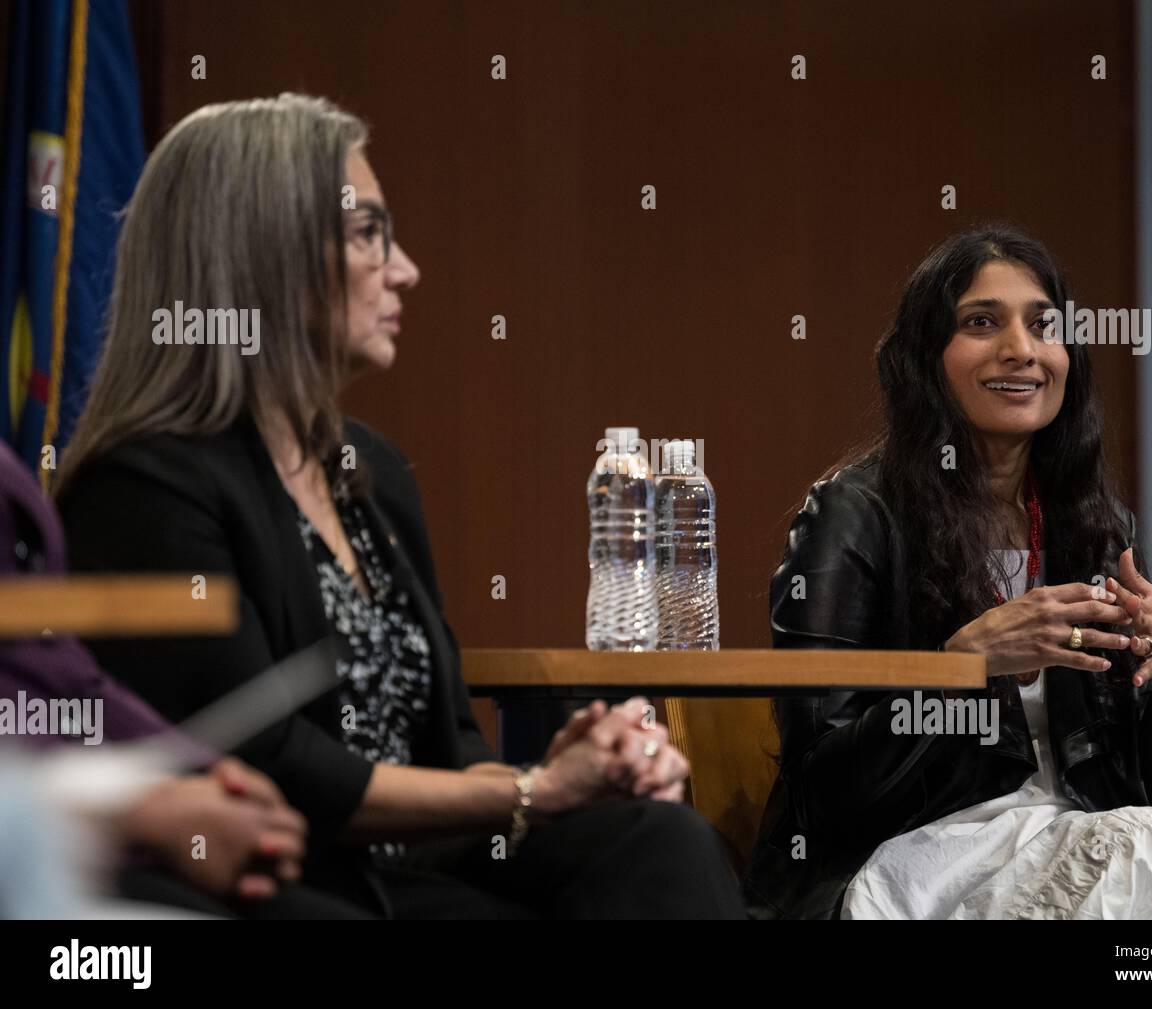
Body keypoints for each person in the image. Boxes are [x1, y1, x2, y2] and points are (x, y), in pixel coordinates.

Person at [55, 93, 743, 919]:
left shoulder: (368, 469)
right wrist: (533, 786)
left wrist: (573, 778)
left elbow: (451, 755)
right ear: (261, 255)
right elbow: (264, 762)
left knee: (660, 840)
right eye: (367, 233)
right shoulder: (146, 487)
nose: (405, 268)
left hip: (409, 869)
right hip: (270, 877)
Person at [744, 226, 1152, 920]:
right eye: (982, 323)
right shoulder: (854, 514)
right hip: (899, 865)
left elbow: (1128, 791)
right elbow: (824, 793)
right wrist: (959, 664)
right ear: (927, 357)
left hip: (1073, 853)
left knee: (1150, 849)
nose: (1022, 349)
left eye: (1044, 326)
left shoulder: (1096, 528)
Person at [0, 437, 370, 918]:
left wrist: (196, 776)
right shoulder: (151, 476)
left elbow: (65, 673)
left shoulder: (363, 461)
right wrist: (143, 809)